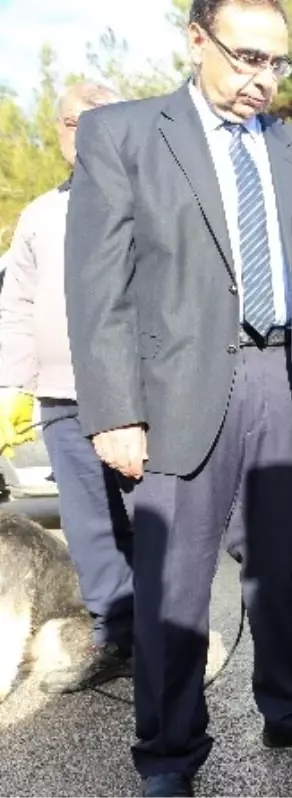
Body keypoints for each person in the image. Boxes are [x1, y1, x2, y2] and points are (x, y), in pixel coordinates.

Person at [63, 1, 292, 794]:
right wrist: (112, 412)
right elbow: (97, 287)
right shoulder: (126, 136)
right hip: (172, 390)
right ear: (196, 40)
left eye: (277, 64)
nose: (263, 80)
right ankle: (170, 755)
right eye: (246, 58)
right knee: (173, 582)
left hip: (287, 383)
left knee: (278, 567)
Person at [0, 82, 134, 694]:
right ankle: (116, 637)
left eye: (96, 120)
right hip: (60, 399)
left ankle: (166, 641)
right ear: (60, 132)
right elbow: (17, 307)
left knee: (150, 526)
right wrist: (14, 389)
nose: (81, 132)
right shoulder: (39, 215)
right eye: (71, 122)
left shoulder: (149, 200)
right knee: (88, 530)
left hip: (136, 404)